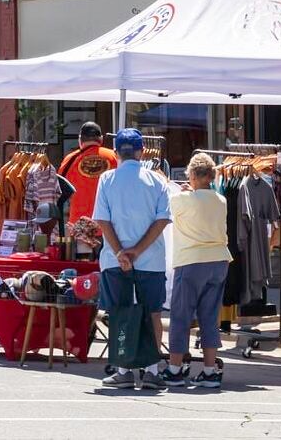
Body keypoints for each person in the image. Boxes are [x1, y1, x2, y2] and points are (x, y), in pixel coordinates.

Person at [93, 128, 172, 390]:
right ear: (141, 152)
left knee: (120, 312)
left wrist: (120, 252)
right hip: (150, 260)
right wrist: (137, 251)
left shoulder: (107, 179)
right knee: (153, 312)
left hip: (115, 260)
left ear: (116, 153)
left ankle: (124, 369)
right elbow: (162, 220)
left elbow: (102, 220)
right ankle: (151, 370)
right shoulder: (157, 181)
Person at [162, 152, 230, 388]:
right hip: (219, 260)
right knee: (209, 317)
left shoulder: (182, 200)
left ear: (191, 175)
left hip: (191, 261)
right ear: (211, 176)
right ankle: (210, 371)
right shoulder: (221, 200)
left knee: (180, 316)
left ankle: (175, 368)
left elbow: (173, 206)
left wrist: (183, 191)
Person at [60, 122, 118, 226]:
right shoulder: (114, 156)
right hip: (108, 225)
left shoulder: (70, 159)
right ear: (101, 139)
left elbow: (59, 188)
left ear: (80, 139)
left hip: (79, 225)